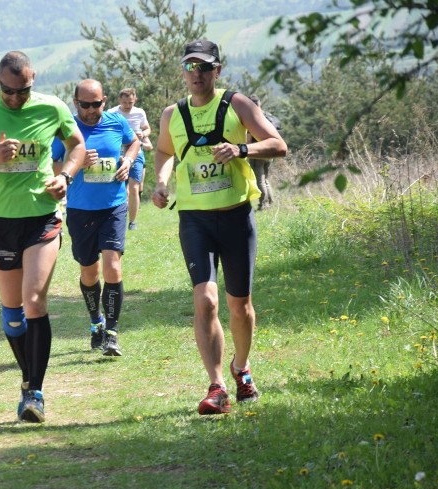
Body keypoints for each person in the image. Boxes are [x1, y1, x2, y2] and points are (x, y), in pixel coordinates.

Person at [151, 40, 287, 415]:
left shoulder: (237, 104)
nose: (196, 74)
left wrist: (241, 150)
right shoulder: (171, 115)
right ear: (183, 71)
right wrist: (161, 182)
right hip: (194, 220)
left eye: (204, 67)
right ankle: (217, 386)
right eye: (190, 67)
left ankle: (241, 368)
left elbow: (278, 144)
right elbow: (163, 152)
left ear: (217, 71)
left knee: (239, 306)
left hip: (236, 217)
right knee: (206, 300)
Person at [0, 50, 85, 423]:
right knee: (13, 313)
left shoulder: (52, 108)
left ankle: (35, 392)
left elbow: (77, 146)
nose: (16, 99)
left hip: (41, 218)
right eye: (9, 92)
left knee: (34, 302)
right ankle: (28, 380)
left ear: (33, 80)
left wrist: (66, 177)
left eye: (23, 91)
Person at [52, 79, 140, 357]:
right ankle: (95, 323)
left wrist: (127, 161)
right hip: (80, 210)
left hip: (113, 205)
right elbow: (55, 166)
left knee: (113, 266)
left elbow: (134, 142)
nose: (92, 110)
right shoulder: (67, 129)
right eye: (85, 104)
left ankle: (112, 333)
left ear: (105, 100)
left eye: (97, 103)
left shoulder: (116, 121)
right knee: (89, 272)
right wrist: (76, 164)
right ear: (75, 103)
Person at [108, 87, 152, 231]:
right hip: (118, 154)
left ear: (135, 100)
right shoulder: (112, 113)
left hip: (137, 153)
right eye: (125, 102)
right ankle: (118, 216)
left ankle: (133, 222)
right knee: (121, 188)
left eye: (131, 102)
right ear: (119, 100)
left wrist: (142, 134)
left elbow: (147, 128)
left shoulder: (140, 112)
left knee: (134, 188)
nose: (128, 105)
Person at [247, 95, 277, 210]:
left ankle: (263, 204)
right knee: (265, 178)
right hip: (270, 152)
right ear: (259, 104)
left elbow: (248, 140)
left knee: (259, 179)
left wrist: (245, 151)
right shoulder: (268, 116)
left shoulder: (252, 117)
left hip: (258, 153)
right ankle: (270, 201)